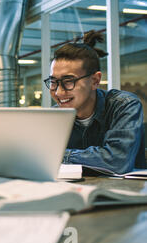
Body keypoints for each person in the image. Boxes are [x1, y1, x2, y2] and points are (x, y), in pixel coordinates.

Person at [44, 30, 145, 174]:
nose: (59, 92)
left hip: (124, 193)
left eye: (68, 81)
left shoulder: (124, 105)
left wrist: (57, 155)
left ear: (95, 81)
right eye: (53, 82)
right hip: (74, 190)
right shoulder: (54, 116)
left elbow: (116, 161)